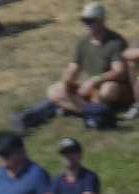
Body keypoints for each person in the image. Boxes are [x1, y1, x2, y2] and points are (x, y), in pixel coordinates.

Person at [26, 2, 131, 130]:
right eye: (84, 20)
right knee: (54, 91)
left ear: (102, 20)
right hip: (92, 89)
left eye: (90, 20)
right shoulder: (83, 42)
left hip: (115, 86)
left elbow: (119, 71)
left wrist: (93, 80)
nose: (87, 24)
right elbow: (73, 67)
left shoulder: (115, 42)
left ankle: (82, 110)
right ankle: (93, 113)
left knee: (108, 89)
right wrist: (67, 81)